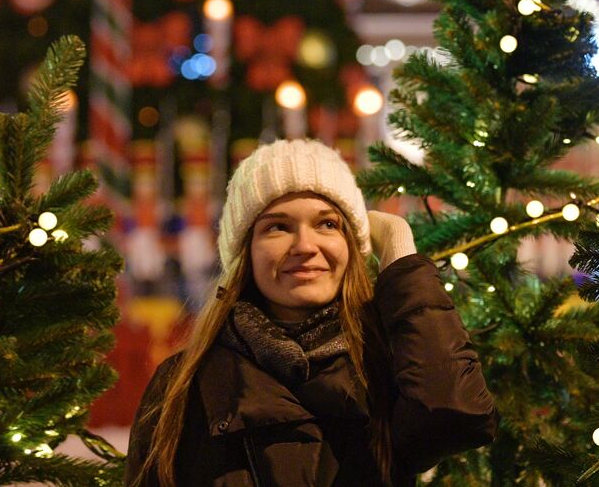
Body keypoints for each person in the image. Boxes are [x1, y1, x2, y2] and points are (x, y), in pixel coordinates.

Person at [125, 138, 498, 486]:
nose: (305, 245)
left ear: (351, 243)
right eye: (278, 227)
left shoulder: (392, 364)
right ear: (246, 254)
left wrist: (399, 252)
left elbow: (455, 417)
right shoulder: (183, 385)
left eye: (327, 224)